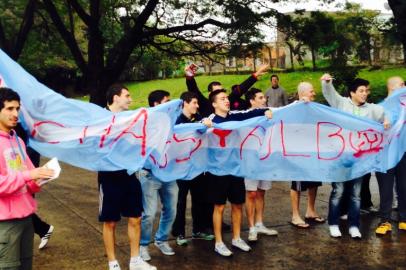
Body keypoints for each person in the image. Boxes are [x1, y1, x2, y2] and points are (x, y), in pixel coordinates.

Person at [321, 74, 390, 239]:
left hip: (360, 159)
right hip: (340, 157)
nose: (365, 93)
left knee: (356, 194)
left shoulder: (372, 109)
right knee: (338, 191)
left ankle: (353, 225)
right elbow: (330, 93)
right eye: (361, 91)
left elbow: (386, 112)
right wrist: (327, 82)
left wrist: (387, 120)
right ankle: (333, 224)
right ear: (352, 93)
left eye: (366, 91)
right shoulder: (342, 104)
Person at [207, 89, 273, 256]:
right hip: (217, 172)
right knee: (219, 207)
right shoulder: (209, 121)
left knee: (237, 204)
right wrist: (204, 127)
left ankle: (236, 238)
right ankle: (219, 242)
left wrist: (266, 110)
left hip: (236, 169)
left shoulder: (235, 115)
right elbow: (192, 132)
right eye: (222, 99)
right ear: (214, 103)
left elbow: (253, 112)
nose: (227, 101)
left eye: (227, 98)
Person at [97, 84, 155, 270]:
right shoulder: (100, 119)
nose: (130, 99)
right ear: (115, 97)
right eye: (127, 96)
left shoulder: (130, 120)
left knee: (135, 217)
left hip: (130, 175)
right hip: (109, 177)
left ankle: (135, 260)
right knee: (110, 221)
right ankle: (113, 262)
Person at [0, 87, 54, 270]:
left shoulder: (17, 140)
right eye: (9, 109)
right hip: (5, 224)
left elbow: (29, 176)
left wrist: (41, 178)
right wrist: (29, 175)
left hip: (26, 219)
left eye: (17, 108)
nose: (16, 114)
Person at [139, 90, 178, 261]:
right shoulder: (144, 121)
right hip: (149, 174)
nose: (170, 104)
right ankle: (143, 245)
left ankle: (161, 240)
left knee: (171, 210)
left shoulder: (172, 121)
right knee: (149, 214)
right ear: (156, 104)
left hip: (169, 174)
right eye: (166, 101)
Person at [171, 92, 214, 245]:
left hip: (197, 168)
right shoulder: (176, 120)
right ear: (185, 103)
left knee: (199, 200)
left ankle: (198, 230)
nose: (197, 105)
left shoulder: (199, 118)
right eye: (194, 103)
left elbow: (203, 130)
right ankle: (179, 233)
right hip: (181, 169)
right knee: (180, 201)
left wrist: (205, 124)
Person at [243, 88, 278, 241]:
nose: (264, 100)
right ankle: (251, 228)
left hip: (265, 159)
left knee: (261, 192)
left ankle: (259, 223)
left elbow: (286, 110)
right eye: (260, 97)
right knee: (251, 193)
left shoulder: (270, 114)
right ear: (252, 101)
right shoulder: (244, 116)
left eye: (264, 98)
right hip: (249, 161)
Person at [289, 82, 324, 229]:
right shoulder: (293, 109)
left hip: (313, 151)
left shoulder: (314, 108)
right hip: (298, 153)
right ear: (303, 93)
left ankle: (310, 210)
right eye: (311, 91)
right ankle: (295, 215)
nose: (314, 93)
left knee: (314, 182)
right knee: (297, 184)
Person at [14, 123, 55, 250]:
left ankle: (42, 229)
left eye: (16, 109)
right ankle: (43, 229)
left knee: (23, 204)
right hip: (21, 165)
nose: (14, 112)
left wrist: (32, 177)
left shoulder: (18, 129)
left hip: (26, 162)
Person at [375, 76, 406, 235]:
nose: (405, 87)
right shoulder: (379, 108)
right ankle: (384, 221)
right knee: (385, 190)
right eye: (402, 85)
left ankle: (403, 219)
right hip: (385, 156)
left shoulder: (405, 106)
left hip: (403, 154)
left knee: (404, 187)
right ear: (394, 88)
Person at [185, 63, 269, 116]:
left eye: (222, 92)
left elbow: (239, 90)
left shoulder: (233, 114)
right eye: (217, 92)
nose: (226, 100)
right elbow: (193, 89)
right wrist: (189, 75)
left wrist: (256, 75)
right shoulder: (205, 106)